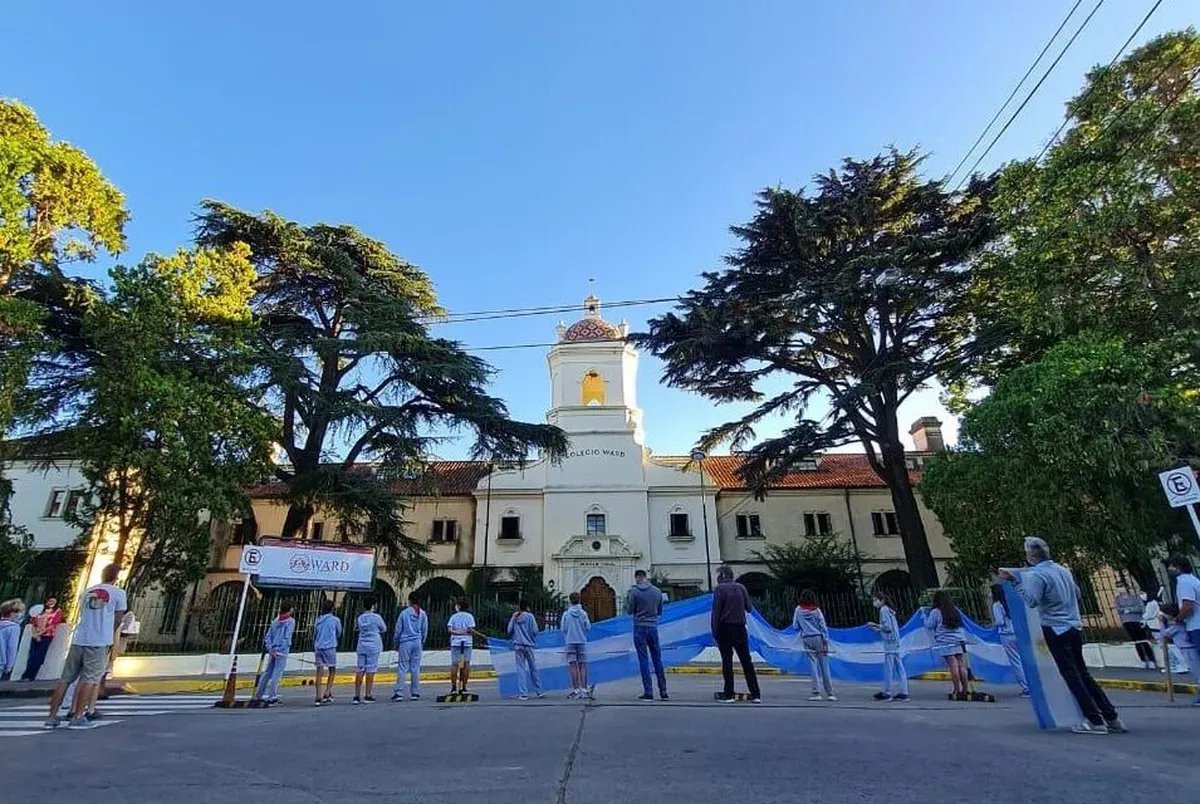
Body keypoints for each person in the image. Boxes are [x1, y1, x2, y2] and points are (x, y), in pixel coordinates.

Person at [1000, 536, 1126, 735]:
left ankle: (1094, 720)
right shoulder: (1063, 570)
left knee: (1071, 675)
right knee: (1083, 673)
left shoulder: (1038, 575)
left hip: (1055, 627)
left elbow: (1032, 601)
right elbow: (1077, 594)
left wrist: (1015, 582)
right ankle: (1111, 717)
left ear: (1031, 555)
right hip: (1074, 626)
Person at [44, 564, 127, 730]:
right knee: (90, 679)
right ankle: (79, 715)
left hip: (79, 639)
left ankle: (52, 716)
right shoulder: (118, 593)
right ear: (116, 578)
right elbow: (118, 618)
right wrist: (109, 633)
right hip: (99, 642)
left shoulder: (87, 591)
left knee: (65, 679)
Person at [710, 565, 761, 703]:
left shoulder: (720, 589)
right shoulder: (741, 588)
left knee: (727, 661)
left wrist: (715, 632)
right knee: (746, 661)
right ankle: (756, 693)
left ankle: (729, 694)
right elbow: (749, 608)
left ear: (722, 576)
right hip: (740, 628)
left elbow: (716, 613)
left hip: (725, 628)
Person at [627, 569, 668, 701]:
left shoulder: (634, 591)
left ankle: (648, 692)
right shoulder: (657, 591)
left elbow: (630, 610)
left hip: (639, 627)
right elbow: (660, 611)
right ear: (646, 577)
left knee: (643, 659)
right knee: (657, 659)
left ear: (637, 577)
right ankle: (663, 691)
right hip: (653, 627)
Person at [923, 591, 968, 700]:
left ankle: (957, 689)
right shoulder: (955, 610)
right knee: (961, 663)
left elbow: (929, 626)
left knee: (953, 664)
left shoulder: (936, 612)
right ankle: (965, 689)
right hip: (959, 639)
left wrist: (924, 617)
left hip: (945, 641)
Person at [794, 589, 835, 701]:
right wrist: (825, 641)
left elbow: (795, 626)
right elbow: (823, 626)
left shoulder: (798, 610)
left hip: (807, 638)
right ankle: (830, 693)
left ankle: (816, 692)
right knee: (824, 666)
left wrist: (803, 627)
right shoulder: (817, 610)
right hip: (819, 638)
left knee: (813, 665)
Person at [868, 590, 908, 701]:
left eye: (875, 600)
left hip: (890, 642)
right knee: (899, 667)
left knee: (888, 667)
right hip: (895, 641)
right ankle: (904, 692)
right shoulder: (890, 610)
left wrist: (875, 625)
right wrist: (877, 629)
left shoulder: (883, 610)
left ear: (881, 600)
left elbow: (887, 627)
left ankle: (887, 692)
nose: (874, 602)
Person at [990, 585, 1029, 697]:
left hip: (1007, 635)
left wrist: (993, 626)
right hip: (1018, 633)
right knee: (1024, 660)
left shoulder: (997, 605)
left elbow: (1000, 621)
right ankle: (1032, 683)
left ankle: (1026, 687)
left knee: (1016, 661)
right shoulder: (1010, 602)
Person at [1157, 603, 1200, 705]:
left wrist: (1161, 623)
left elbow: (1163, 634)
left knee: (1197, 672)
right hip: (1187, 649)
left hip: (1188, 650)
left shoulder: (1176, 626)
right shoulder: (1180, 624)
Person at [256, 601, 295, 705]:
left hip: (273, 650)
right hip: (282, 651)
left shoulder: (276, 621)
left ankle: (259, 694)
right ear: (289, 610)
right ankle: (272, 696)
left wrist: (271, 649)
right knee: (277, 673)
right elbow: (287, 637)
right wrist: (281, 649)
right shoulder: (290, 621)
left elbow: (268, 637)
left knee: (267, 672)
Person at [391, 593, 428, 701]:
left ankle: (399, 692)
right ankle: (415, 692)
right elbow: (425, 629)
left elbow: (398, 629)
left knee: (402, 667)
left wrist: (396, 641)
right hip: (417, 642)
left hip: (405, 642)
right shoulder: (422, 613)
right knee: (415, 667)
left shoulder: (404, 613)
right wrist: (422, 641)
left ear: (410, 601)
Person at [1143, 590, 1189, 674]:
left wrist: (1160, 622)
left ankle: (1178, 665)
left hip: (1157, 629)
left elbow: (1147, 616)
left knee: (1168, 649)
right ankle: (1175, 665)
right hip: (1160, 630)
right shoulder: (1159, 604)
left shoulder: (1151, 604)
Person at [353, 595, 387, 704]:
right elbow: (384, 628)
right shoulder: (377, 617)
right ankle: (368, 694)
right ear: (373, 605)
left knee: (360, 669)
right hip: (373, 645)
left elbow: (358, 628)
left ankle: (356, 695)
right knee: (371, 669)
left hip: (362, 645)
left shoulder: (360, 618)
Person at [1114, 584, 1157, 670]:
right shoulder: (1118, 599)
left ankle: (1151, 660)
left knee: (1143, 640)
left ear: (1126, 587)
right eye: (1118, 587)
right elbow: (1119, 609)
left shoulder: (1134, 597)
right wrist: (1129, 609)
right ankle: (1143, 660)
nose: (1120, 588)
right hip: (1126, 621)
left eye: (1121, 586)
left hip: (1137, 620)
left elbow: (1140, 608)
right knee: (1136, 642)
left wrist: (1129, 609)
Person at [507, 600, 544, 700]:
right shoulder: (530, 616)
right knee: (533, 668)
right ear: (527, 607)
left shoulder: (515, 617)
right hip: (528, 645)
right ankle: (539, 691)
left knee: (520, 669)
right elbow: (535, 631)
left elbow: (509, 630)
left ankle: (523, 693)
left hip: (518, 645)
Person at [22, 596, 64, 681]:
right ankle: (25, 674)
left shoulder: (57, 611)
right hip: (36, 635)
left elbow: (53, 624)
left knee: (39, 655)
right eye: (50, 601)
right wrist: (35, 634)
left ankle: (32, 675)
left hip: (47, 636)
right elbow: (33, 622)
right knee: (32, 655)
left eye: (54, 602)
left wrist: (40, 634)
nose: (51, 603)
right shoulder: (40, 610)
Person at [1166, 555, 1200, 660]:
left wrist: (1178, 619)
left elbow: (1187, 606)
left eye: (1171, 566)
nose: (1169, 569)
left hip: (1196, 626)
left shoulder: (1184, 582)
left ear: (1178, 567)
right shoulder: (1193, 579)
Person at [561, 592, 593, 699]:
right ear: (579, 600)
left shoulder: (566, 614)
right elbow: (588, 627)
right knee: (583, 664)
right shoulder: (583, 614)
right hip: (581, 641)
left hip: (570, 641)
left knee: (572, 665)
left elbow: (563, 628)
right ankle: (584, 688)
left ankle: (576, 689)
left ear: (570, 601)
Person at [312, 598, 341, 706]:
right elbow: (339, 632)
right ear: (332, 609)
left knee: (319, 672)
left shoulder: (318, 620)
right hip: (330, 647)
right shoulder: (335, 620)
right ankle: (327, 691)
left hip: (319, 647)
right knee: (332, 669)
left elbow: (315, 633)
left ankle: (318, 696)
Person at [447, 597, 476, 695]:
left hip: (456, 642)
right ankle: (464, 687)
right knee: (466, 664)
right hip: (467, 642)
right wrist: (464, 632)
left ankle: (454, 687)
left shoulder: (454, 617)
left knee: (455, 664)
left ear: (458, 606)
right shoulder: (470, 617)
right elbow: (471, 630)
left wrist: (457, 632)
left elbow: (450, 630)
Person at [0, 598, 25, 681]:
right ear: (12, 613)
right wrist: (9, 665)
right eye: (19, 612)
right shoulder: (14, 628)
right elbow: (12, 647)